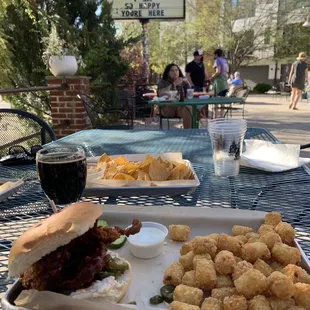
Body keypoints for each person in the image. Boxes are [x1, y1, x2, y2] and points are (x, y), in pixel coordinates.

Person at [157, 64, 192, 129]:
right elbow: (160, 93)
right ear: (168, 73)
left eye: (176, 70)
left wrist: (188, 83)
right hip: (167, 108)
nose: (175, 72)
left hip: (180, 108)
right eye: (172, 70)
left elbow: (189, 95)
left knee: (189, 108)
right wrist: (174, 84)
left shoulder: (183, 81)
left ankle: (188, 132)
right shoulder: (163, 81)